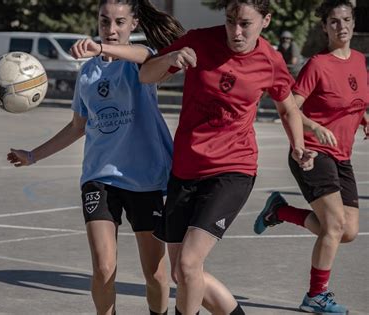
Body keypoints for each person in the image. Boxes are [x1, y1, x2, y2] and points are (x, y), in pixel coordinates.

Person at [139, 0, 317, 314]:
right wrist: (169, 57)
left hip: (233, 170)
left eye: (245, 23)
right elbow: (146, 76)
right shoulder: (198, 41)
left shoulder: (271, 61)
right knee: (183, 272)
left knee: (190, 263)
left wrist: (298, 145)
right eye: (230, 21)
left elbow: (288, 107)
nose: (236, 31)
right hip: (186, 170)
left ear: (265, 21)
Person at [7, 1, 185, 314]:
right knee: (103, 268)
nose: (111, 29)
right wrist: (32, 155)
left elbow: (147, 56)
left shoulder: (141, 62)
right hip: (99, 178)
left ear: (133, 25)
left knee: (155, 273)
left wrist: (101, 46)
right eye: (105, 22)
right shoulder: (88, 73)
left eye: (119, 22)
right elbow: (78, 127)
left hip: (145, 180)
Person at [254, 1, 368, 314]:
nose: (341, 27)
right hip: (312, 153)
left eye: (346, 20)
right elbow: (290, 108)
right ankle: (316, 296)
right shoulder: (317, 65)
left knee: (348, 232)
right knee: (333, 227)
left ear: (353, 23)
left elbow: (352, 100)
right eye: (333, 21)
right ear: (324, 27)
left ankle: (280, 211)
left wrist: (363, 116)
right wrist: (315, 127)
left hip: (341, 155)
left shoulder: (358, 60)